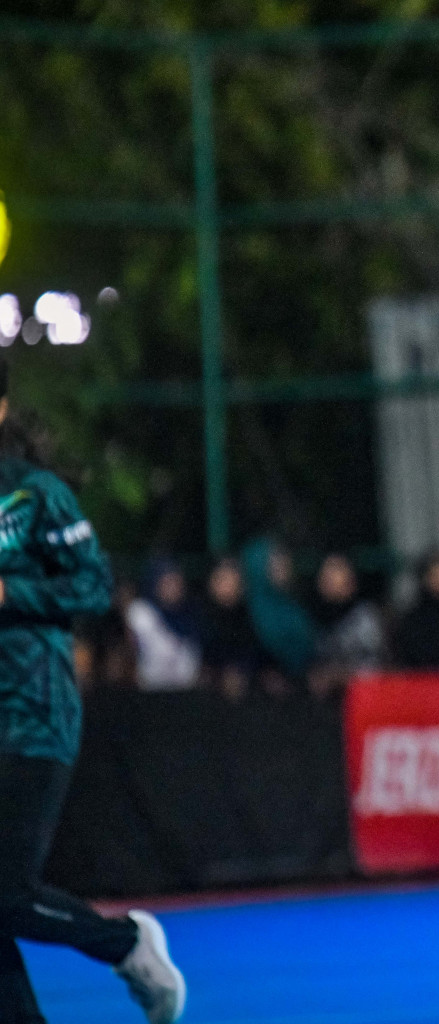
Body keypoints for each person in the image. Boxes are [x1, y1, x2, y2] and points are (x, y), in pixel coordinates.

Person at [0, 358, 186, 1023]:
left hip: (32, 714)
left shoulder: (35, 494)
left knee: (7, 891)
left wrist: (10, 590)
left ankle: (127, 943)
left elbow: (92, 585)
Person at [240, 537, 316, 696]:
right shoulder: (243, 614)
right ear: (258, 567)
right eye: (274, 562)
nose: (283, 566)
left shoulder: (297, 606)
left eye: (283, 559)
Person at [309, 552, 387, 696]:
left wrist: (340, 677)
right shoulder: (313, 618)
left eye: (336, 570)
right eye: (325, 571)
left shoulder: (365, 617)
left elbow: (376, 668)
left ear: (351, 578)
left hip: (362, 701)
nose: (329, 577)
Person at [124, 558, 201, 691]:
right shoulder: (141, 613)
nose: (173, 588)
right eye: (167, 582)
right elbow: (129, 653)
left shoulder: (193, 614)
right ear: (156, 583)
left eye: (176, 582)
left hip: (185, 693)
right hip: (148, 692)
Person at [201, 556, 261, 702]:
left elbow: (253, 654)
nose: (229, 586)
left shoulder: (248, 616)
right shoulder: (200, 616)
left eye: (233, 581)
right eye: (223, 580)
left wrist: (240, 672)